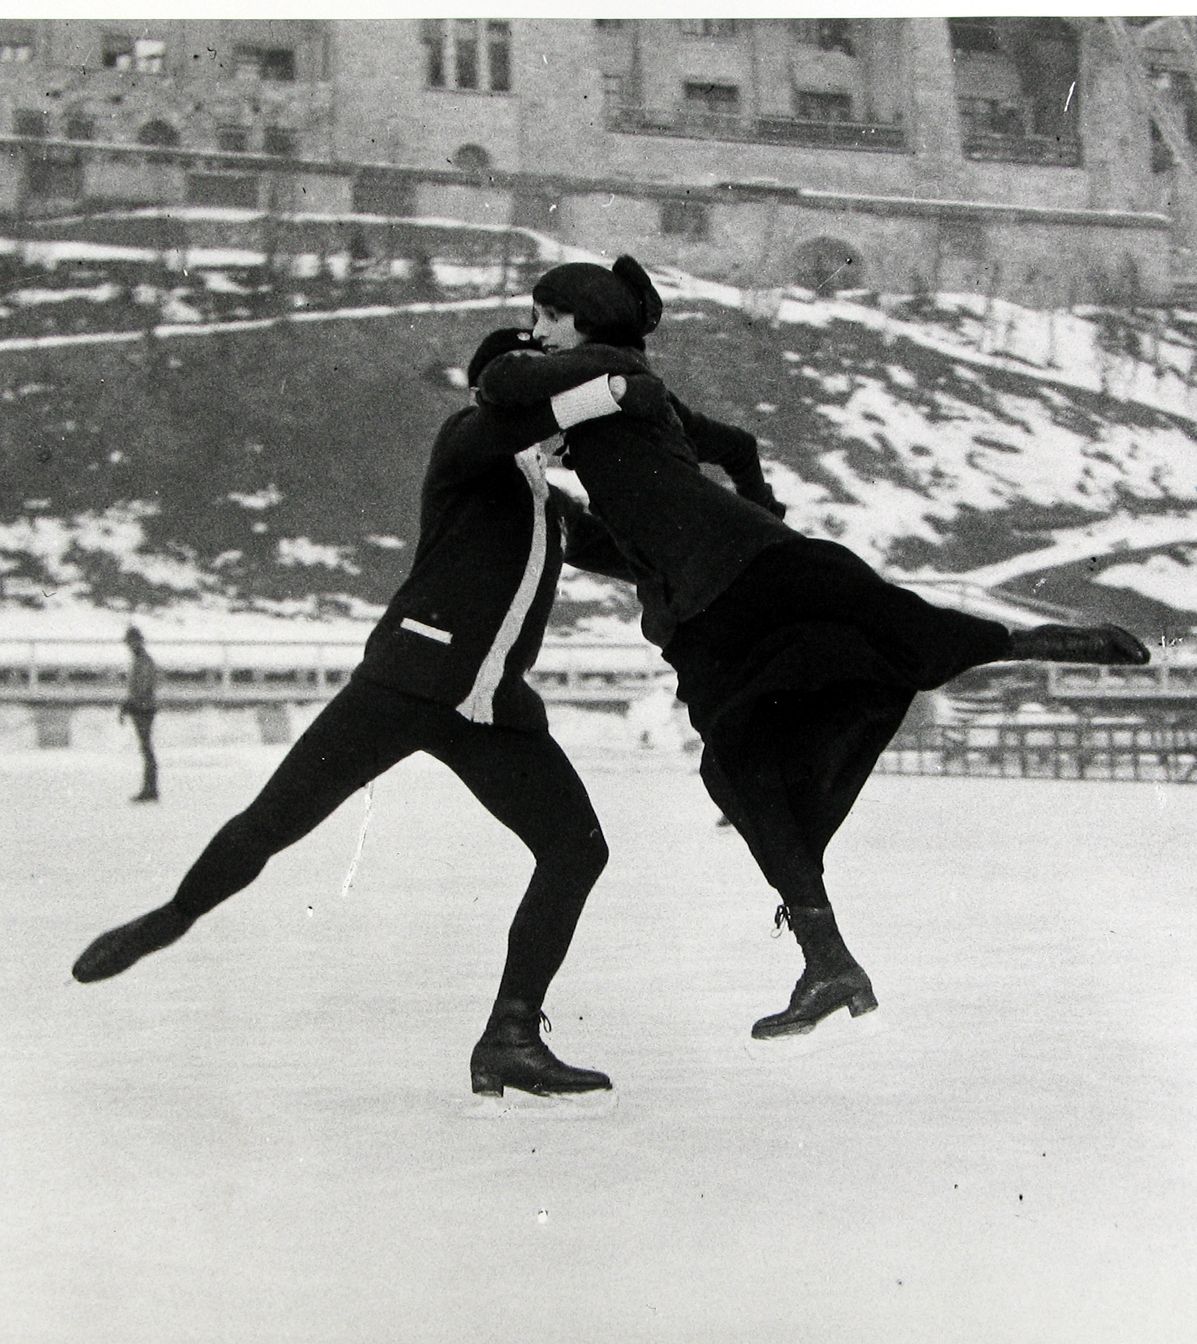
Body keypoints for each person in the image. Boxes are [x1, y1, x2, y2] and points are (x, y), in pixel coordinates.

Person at [475, 256, 1152, 1045]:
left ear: (588, 320)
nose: (540, 332)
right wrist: (755, 521)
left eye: (550, 317)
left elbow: (500, 385)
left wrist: (512, 372)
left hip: (719, 601)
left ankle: (1032, 644)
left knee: (760, 755)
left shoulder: (617, 372)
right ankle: (828, 959)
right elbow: (734, 452)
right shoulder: (624, 403)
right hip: (734, 581)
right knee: (754, 757)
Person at [71, 330, 673, 1107]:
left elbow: (646, 546)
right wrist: (619, 384)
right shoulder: (468, 443)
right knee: (275, 821)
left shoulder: (544, 499)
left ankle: (511, 1035)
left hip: (488, 710)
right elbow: (533, 409)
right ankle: (172, 916)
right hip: (406, 682)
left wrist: (744, 540)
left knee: (575, 849)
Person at [119, 626, 160, 803]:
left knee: (146, 748)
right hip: (142, 707)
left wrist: (129, 705)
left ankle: (150, 789)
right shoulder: (141, 660)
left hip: (143, 709)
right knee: (145, 748)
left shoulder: (143, 661)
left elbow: (141, 688)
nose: (129, 646)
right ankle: (149, 788)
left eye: (130, 642)